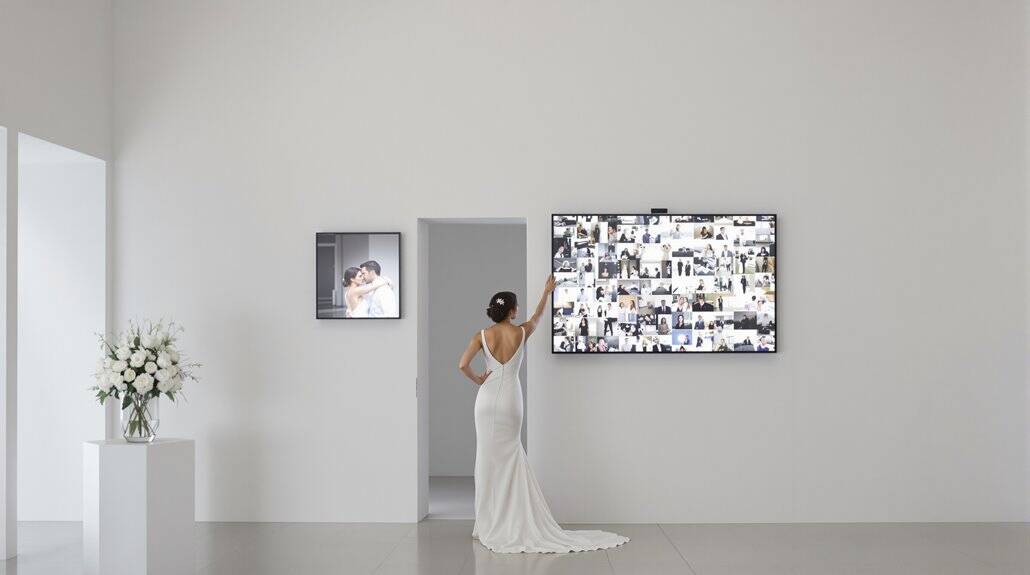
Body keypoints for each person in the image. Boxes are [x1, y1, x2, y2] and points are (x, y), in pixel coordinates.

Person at [459, 276, 628, 552]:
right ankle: (511, 520)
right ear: (512, 310)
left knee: (485, 460)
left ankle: (486, 524)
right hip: (511, 401)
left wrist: (479, 379)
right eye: (515, 307)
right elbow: (537, 316)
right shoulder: (521, 332)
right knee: (511, 455)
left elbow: (462, 364)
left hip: (486, 400)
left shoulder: (481, 335)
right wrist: (546, 293)